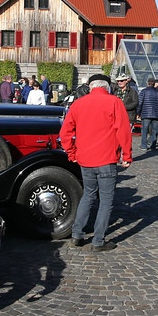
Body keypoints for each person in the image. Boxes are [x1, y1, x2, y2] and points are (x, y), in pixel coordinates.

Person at [59, 74, 133, 252]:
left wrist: (71, 153)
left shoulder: (79, 103)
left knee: (88, 195)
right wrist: (127, 155)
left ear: (90, 86)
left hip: (86, 159)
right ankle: (98, 241)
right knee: (106, 200)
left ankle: (77, 234)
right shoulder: (114, 102)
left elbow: (65, 133)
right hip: (107, 158)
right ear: (107, 87)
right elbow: (123, 130)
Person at [137, 78, 158, 150]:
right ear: (154, 84)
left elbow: (140, 103)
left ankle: (144, 145)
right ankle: (153, 145)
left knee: (144, 130)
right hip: (156, 114)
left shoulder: (143, 91)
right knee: (155, 131)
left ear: (147, 83)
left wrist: (138, 112)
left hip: (145, 114)